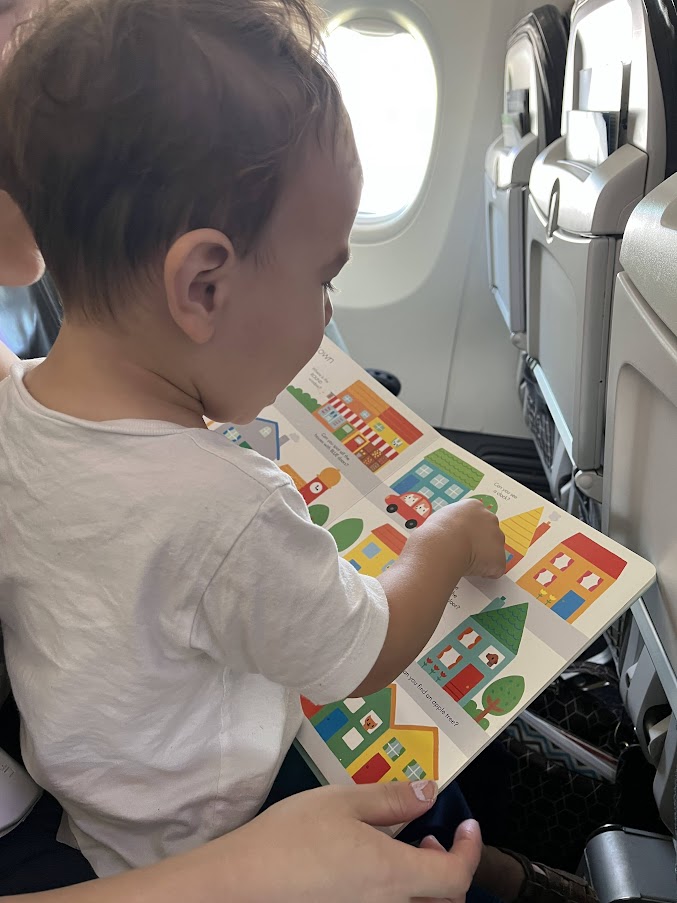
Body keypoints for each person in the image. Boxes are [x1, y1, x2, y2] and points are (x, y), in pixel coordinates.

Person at [0, 1, 599, 900]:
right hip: (217, 819)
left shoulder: (16, 407)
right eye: (323, 277)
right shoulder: (222, 505)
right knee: (423, 806)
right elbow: (369, 647)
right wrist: (440, 544)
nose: (326, 313)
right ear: (203, 284)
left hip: (113, 811)